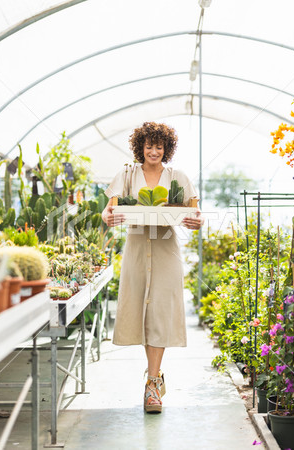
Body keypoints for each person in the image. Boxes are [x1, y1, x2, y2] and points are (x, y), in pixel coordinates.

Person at [102, 122, 204, 413]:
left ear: (167, 148)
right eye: (149, 145)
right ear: (140, 147)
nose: (154, 151)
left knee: (159, 313)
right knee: (141, 314)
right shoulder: (126, 174)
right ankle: (154, 380)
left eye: (160, 146)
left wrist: (199, 221)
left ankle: (152, 382)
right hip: (135, 248)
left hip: (166, 250)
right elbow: (110, 209)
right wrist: (107, 218)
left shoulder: (178, 177)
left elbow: (196, 212)